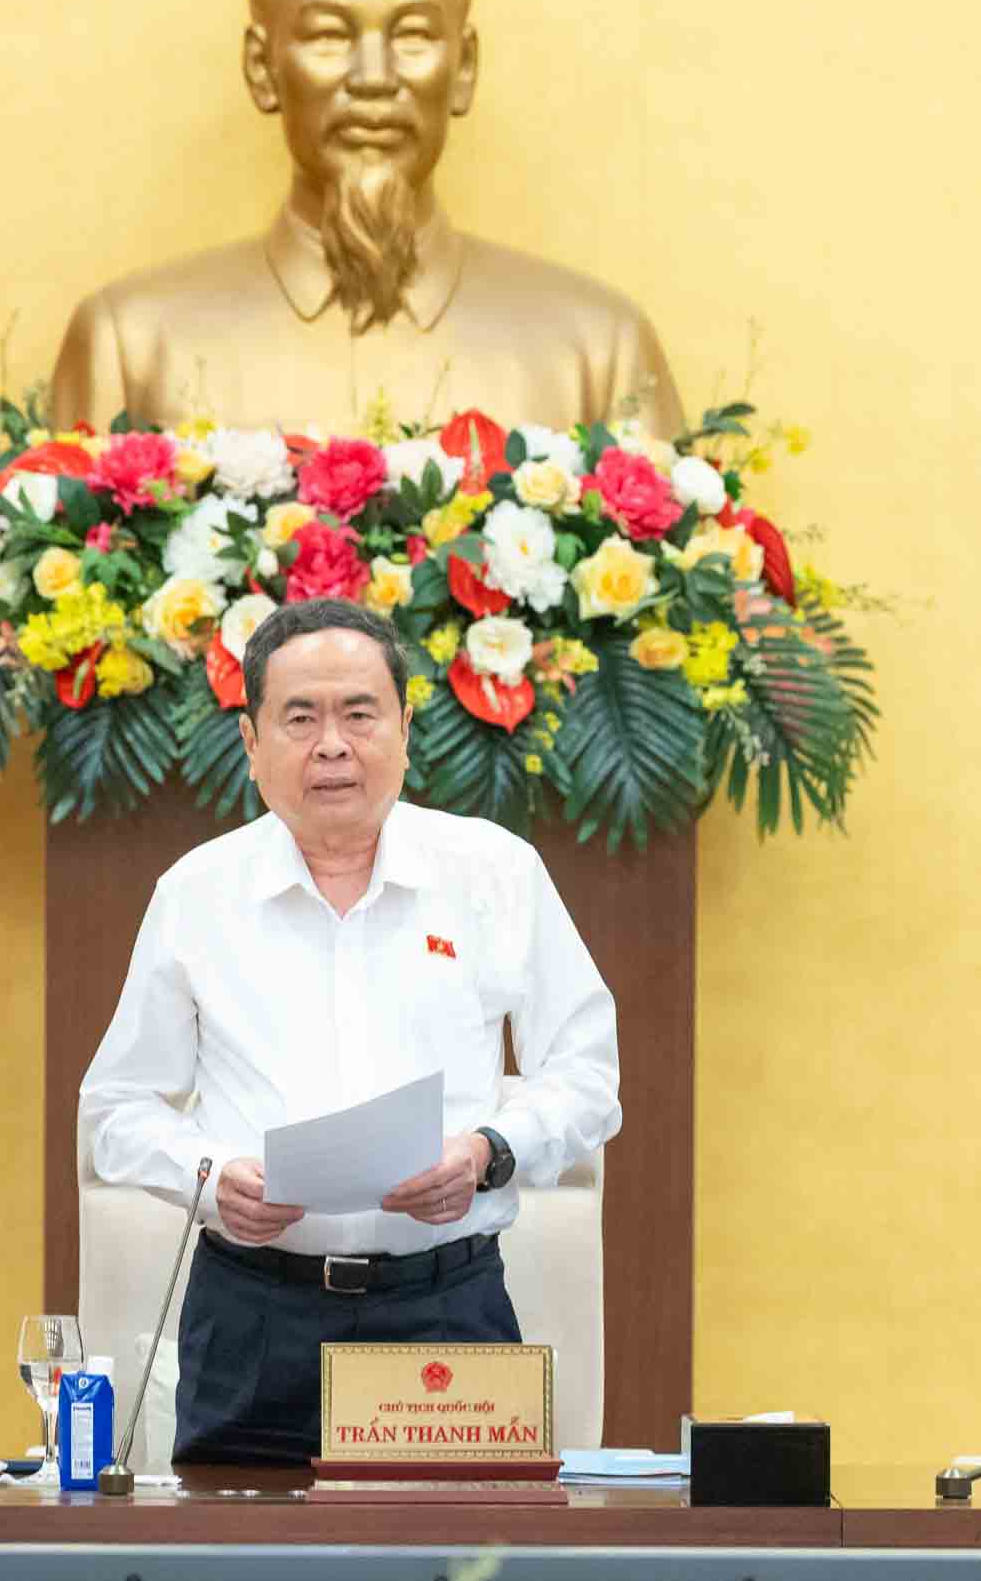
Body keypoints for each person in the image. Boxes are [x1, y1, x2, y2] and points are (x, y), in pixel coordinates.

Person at [79, 598, 621, 1464]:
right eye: (300, 718)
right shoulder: (196, 894)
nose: (332, 745)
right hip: (253, 1316)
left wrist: (487, 1153)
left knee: (459, 1555)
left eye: (360, 715)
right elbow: (115, 1108)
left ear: (405, 731)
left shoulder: (495, 874)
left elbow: (586, 1075)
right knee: (232, 1554)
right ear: (251, 743)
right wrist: (210, 1176)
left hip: (444, 1310)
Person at [49, 0, 684, 435]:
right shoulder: (132, 346)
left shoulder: (599, 352)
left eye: (414, 35)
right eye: (328, 35)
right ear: (262, 68)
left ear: (463, 68)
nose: (374, 78)